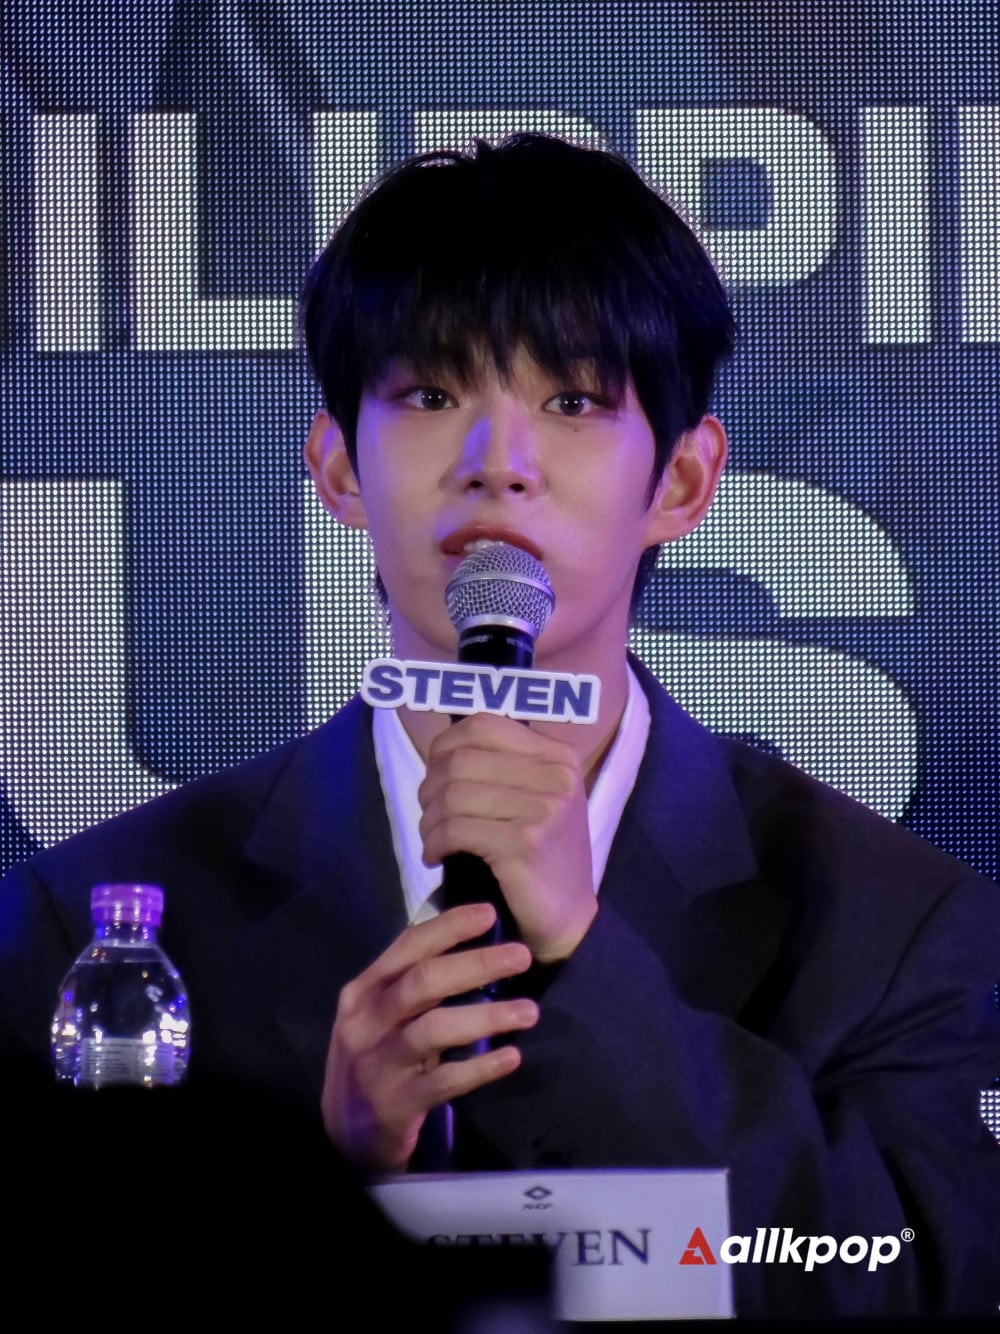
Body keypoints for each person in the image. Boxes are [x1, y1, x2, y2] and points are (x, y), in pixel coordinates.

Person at [0, 133, 998, 1319]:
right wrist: (330, 1178)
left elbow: (900, 1275)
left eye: (570, 401)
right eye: (431, 396)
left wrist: (584, 960)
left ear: (680, 482)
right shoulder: (92, 918)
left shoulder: (889, 922)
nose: (498, 464)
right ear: (338, 467)